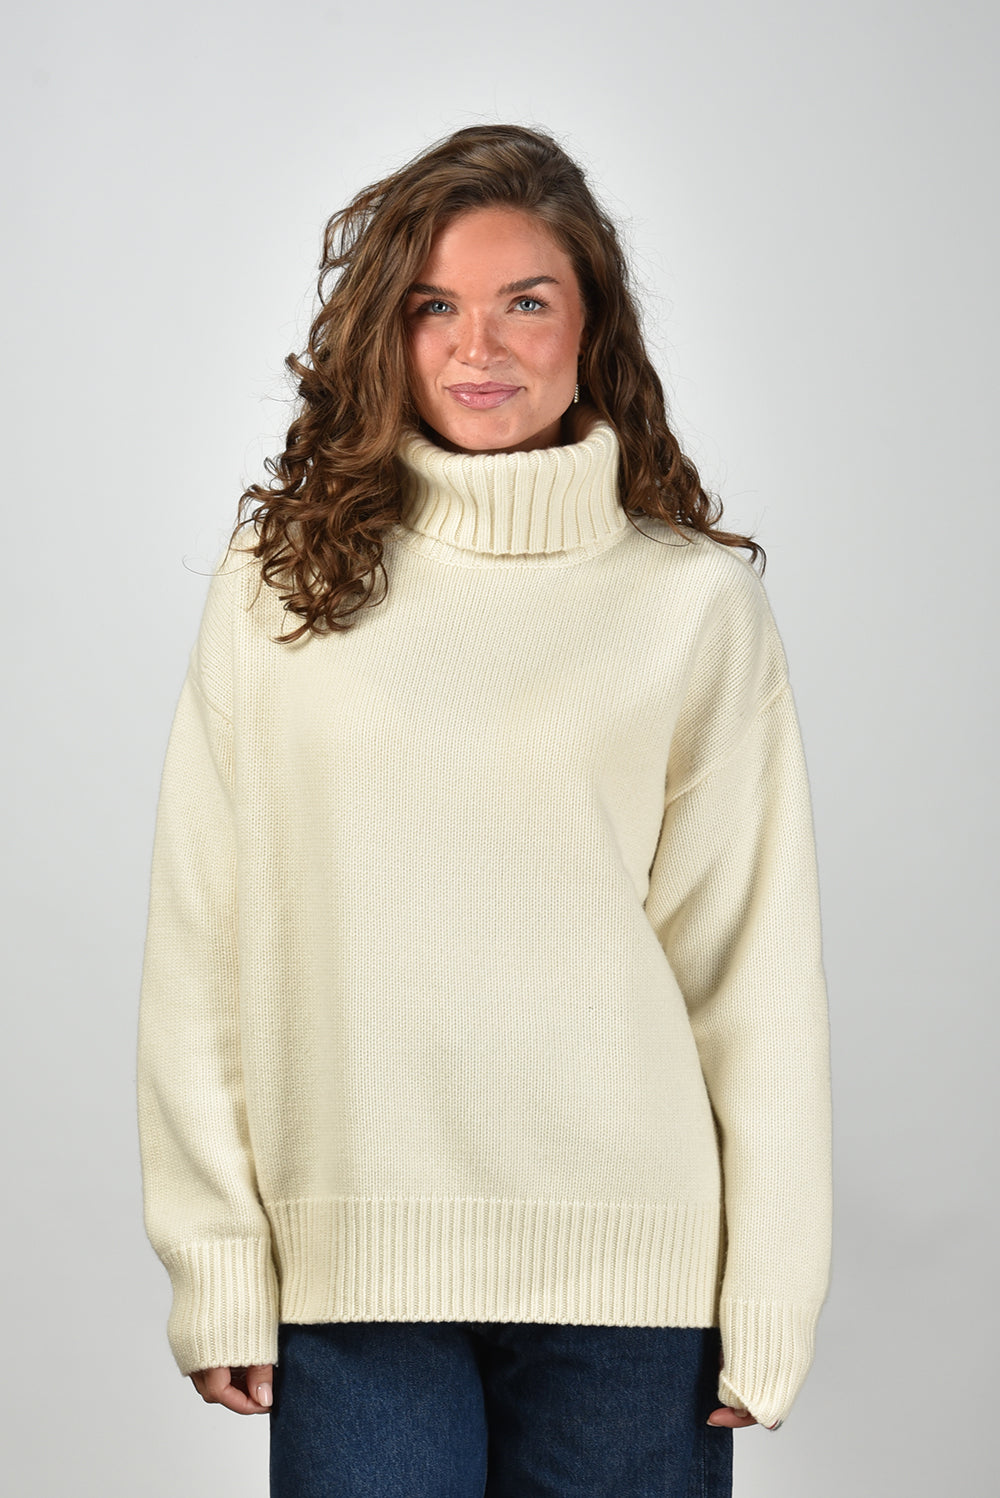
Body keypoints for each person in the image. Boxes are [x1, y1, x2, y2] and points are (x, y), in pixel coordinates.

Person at [136, 123, 833, 1497]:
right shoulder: (282, 582)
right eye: (433, 306)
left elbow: (750, 969)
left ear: (592, 327)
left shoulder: (692, 602)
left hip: (630, 1280)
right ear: (385, 335)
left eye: (526, 301)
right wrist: (216, 1253)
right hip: (356, 1269)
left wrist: (772, 1287)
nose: (479, 347)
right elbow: (206, 936)